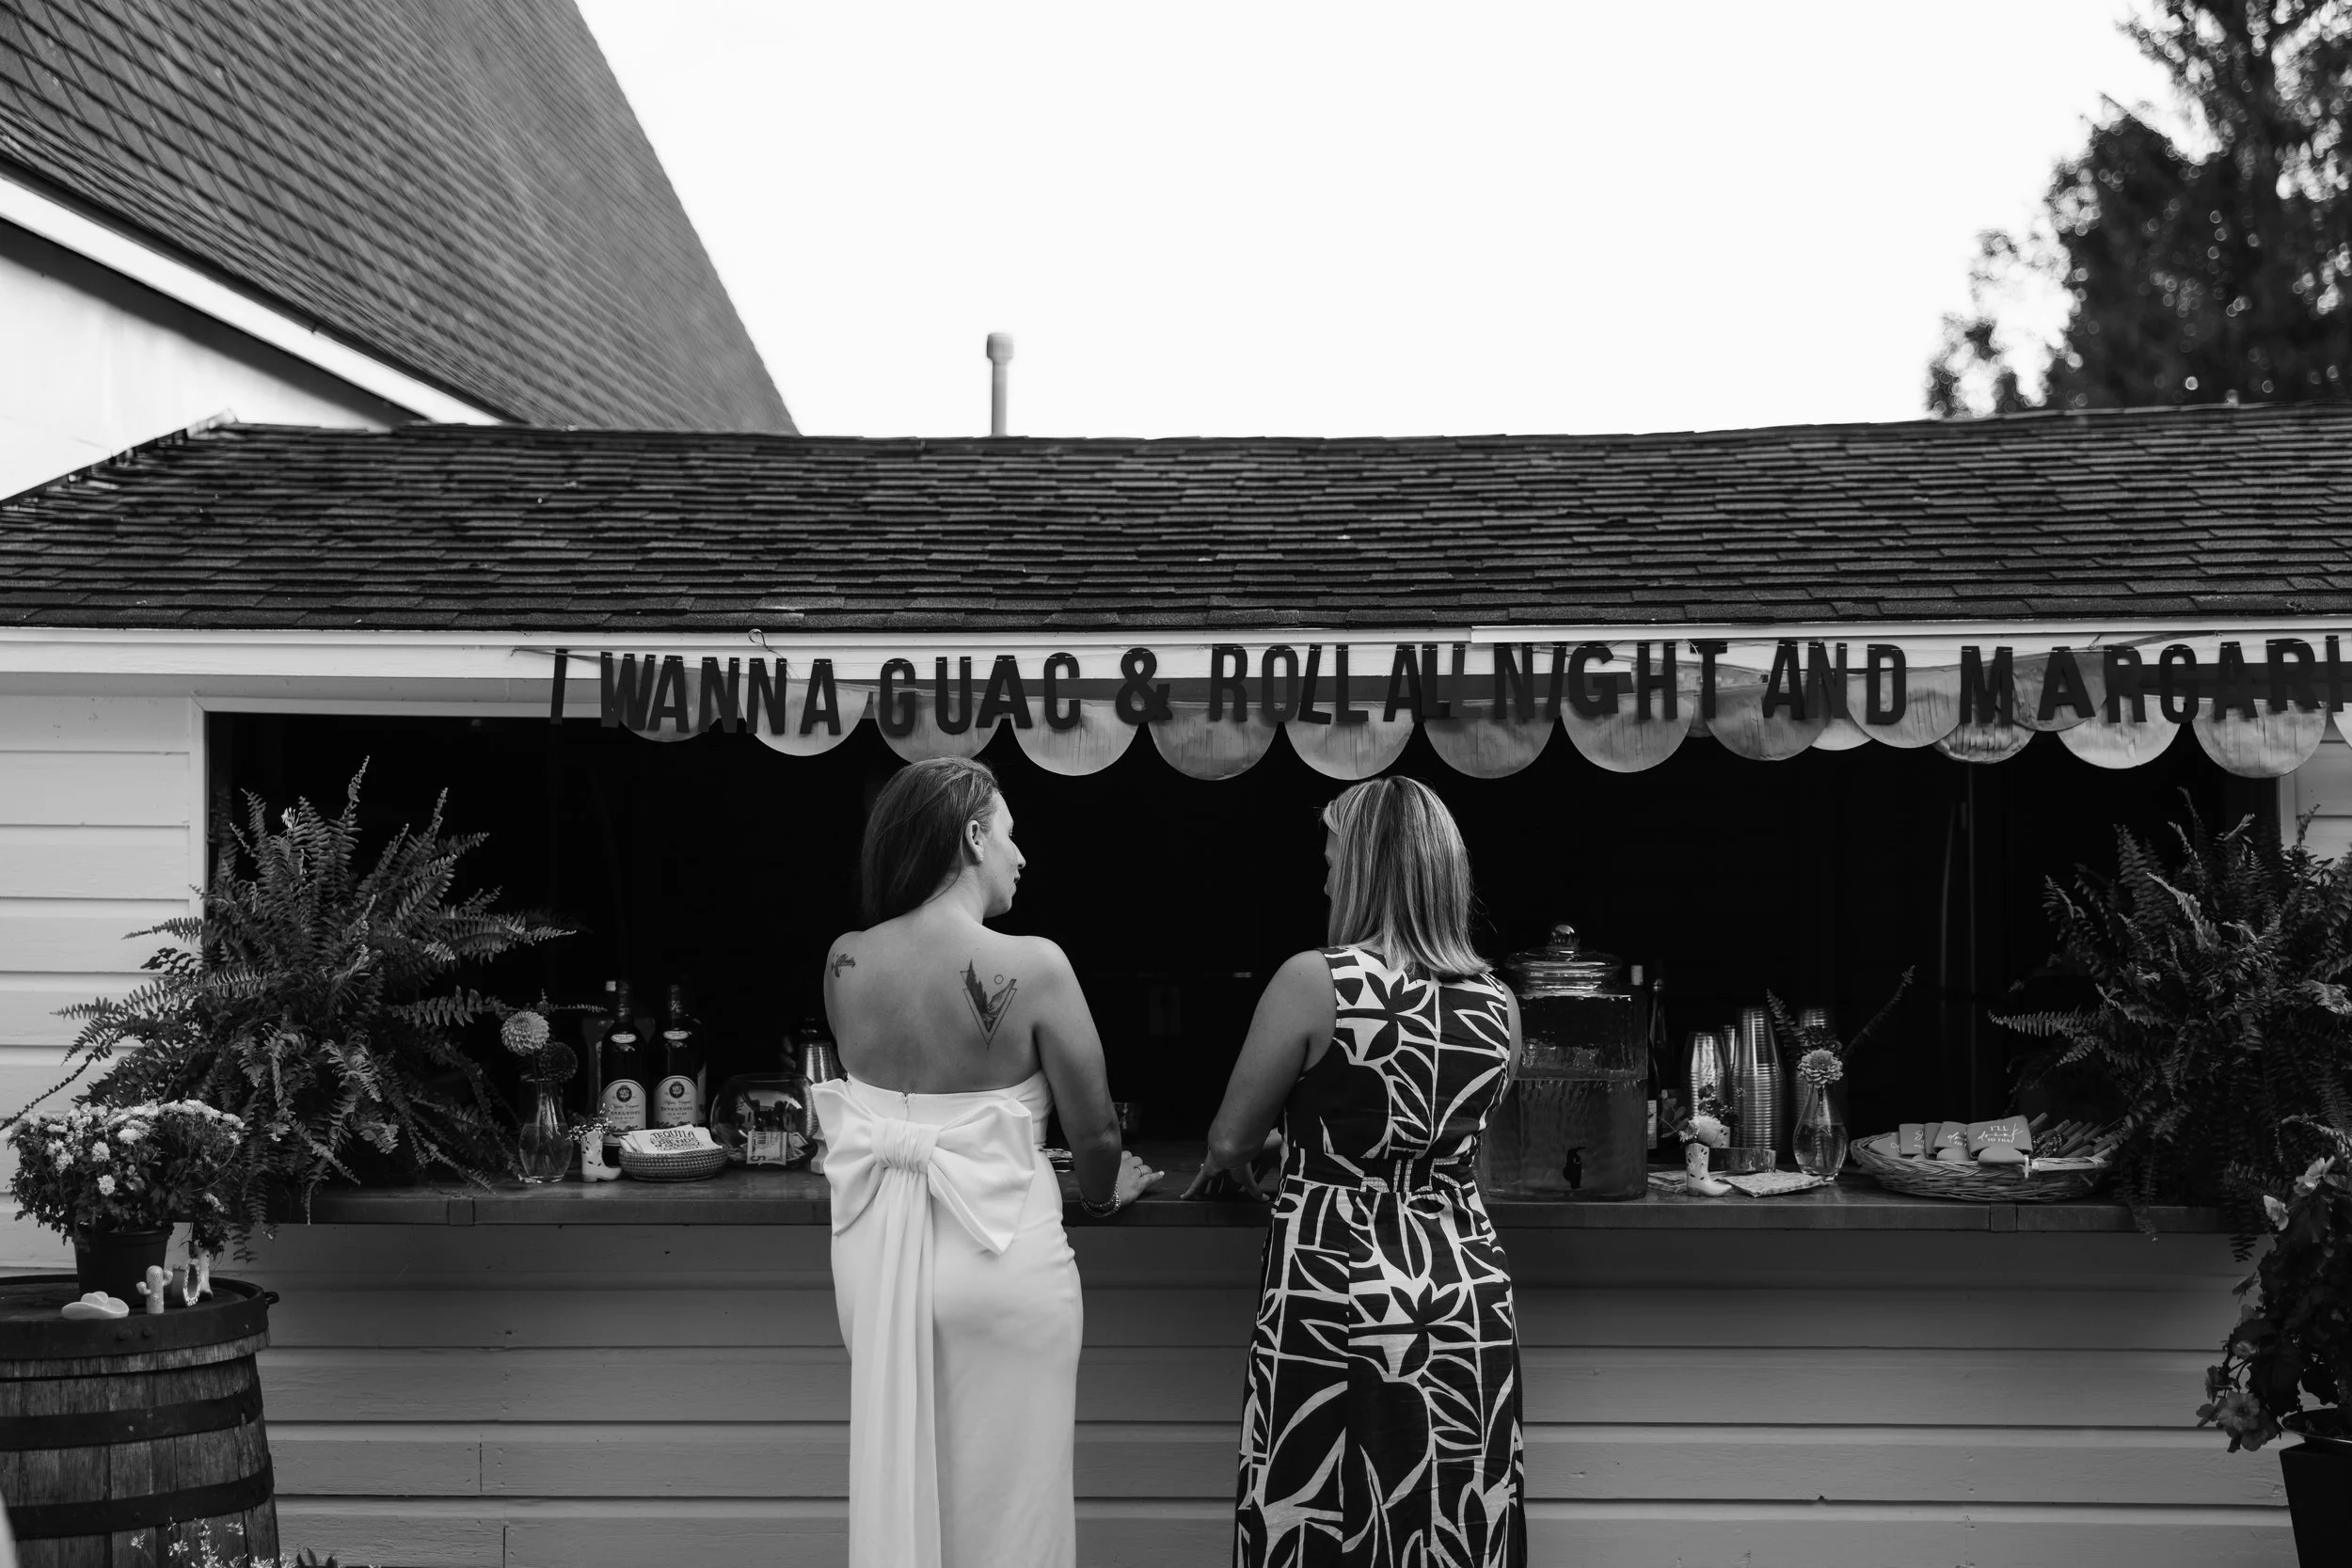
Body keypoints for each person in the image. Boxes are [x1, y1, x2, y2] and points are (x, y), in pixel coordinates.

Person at [815, 755, 1160, 1568]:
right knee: (1012, 1507)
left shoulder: (845, 962)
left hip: (875, 1259)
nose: (1020, 854)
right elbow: (1099, 1136)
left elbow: (889, 1096)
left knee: (912, 1477)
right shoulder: (1036, 965)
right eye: (1010, 833)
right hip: (1001, 1260)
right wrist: (1106, 1196)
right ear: (972, 836)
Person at [1188, 774, 1526, 1568]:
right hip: (1463, 1295)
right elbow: (1428, 1132)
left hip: (1334, 1286)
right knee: (1451, 1520)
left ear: (1371, 868)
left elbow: (1231, 1140)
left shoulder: (1317, 979)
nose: (1328, 876)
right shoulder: (1498, 1002)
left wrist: (1259, 1156)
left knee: (1320, 1519)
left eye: (1336, 858)